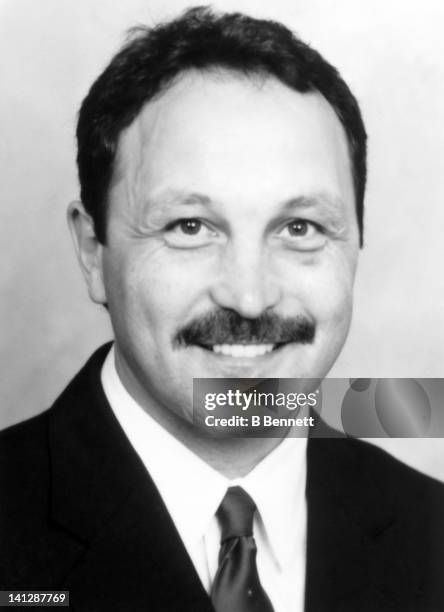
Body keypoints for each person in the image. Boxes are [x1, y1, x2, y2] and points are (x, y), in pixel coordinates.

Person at [1, 7, 443, 611]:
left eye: (299, 227)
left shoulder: (431, 531)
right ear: (91, 253)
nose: (250, 297)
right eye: (190, 227)